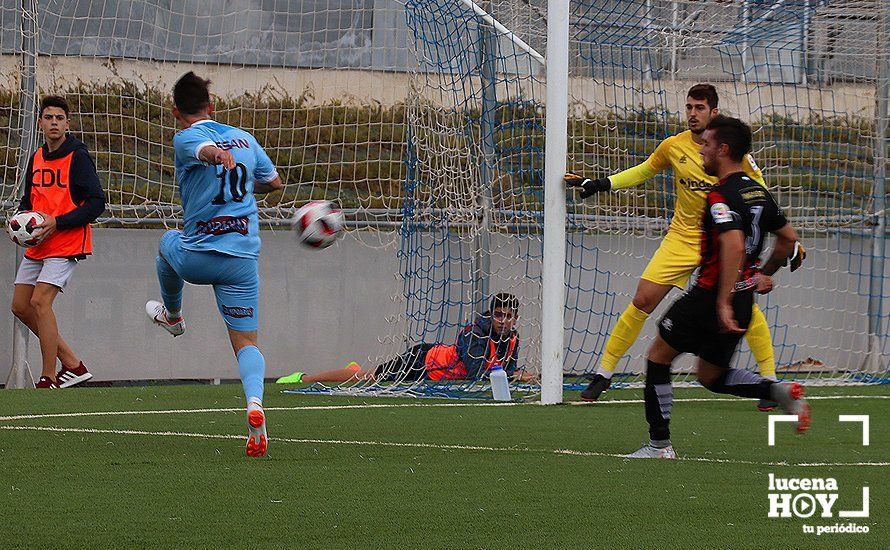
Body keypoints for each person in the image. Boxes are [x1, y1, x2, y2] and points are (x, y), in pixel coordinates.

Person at [565, 84, 784, 410]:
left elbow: (761, 202)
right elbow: (643, 171)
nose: (692, 114)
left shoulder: (736, 157)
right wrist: (600, 183)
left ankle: (771, 381)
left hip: (724, 243)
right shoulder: (674, 146)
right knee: (642, 300)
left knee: (744, 307)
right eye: (689, 107)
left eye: (699, 108)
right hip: (682, 238)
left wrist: (786, 244)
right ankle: (604, 372)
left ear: (713, 111)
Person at [625, 115, 809, 459]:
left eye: (707, 146)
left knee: (657, 358)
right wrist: (762, 273)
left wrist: (722, 301)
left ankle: (659, 445)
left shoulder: (719, 196)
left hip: (711, 296)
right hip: (742, 298)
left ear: (723, 149)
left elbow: (734, 245)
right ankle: (778, 390)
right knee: (711, 376)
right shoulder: (759, 192)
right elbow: (788, 240)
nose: (703, 152)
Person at [145, 72, 282, 457]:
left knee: (166, 242)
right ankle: (255, 405)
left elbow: (202, 148)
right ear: (213, 105)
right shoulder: (247, 138)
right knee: (246, 345)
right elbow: (273, 183)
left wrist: (216, 156)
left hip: (198, 258)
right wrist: (237, 171)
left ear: (176, 112)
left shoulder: (185, 136)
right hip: (241, 260)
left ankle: (173, 317)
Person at [10, 95, 106, 389]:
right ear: (40, 123)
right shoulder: (37, 158)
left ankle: (48, 377)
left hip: (66, 242)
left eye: (59, 118)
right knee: (20, 306)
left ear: (67, 124)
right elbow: (30, 200)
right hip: (39, 244)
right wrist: (18, 222)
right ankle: (73, 364)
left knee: (40, 302)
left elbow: (97, 203)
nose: (54, 122)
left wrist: (58, 222)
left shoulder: (77, 156)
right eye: (48, 117)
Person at [276, 293, 532, 384]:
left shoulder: (512, 339)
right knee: (368, 378)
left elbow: (505, 369)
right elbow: (477, 373)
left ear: (516, 318)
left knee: (370, 376)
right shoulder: (474, 333)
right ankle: (304, 377)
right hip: (424, 363)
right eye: (498, 314)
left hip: (440, 374)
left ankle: (350, 370)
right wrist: (512, 376)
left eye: (508, 316)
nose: (503, 320)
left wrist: (516, 374)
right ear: (491, 314)